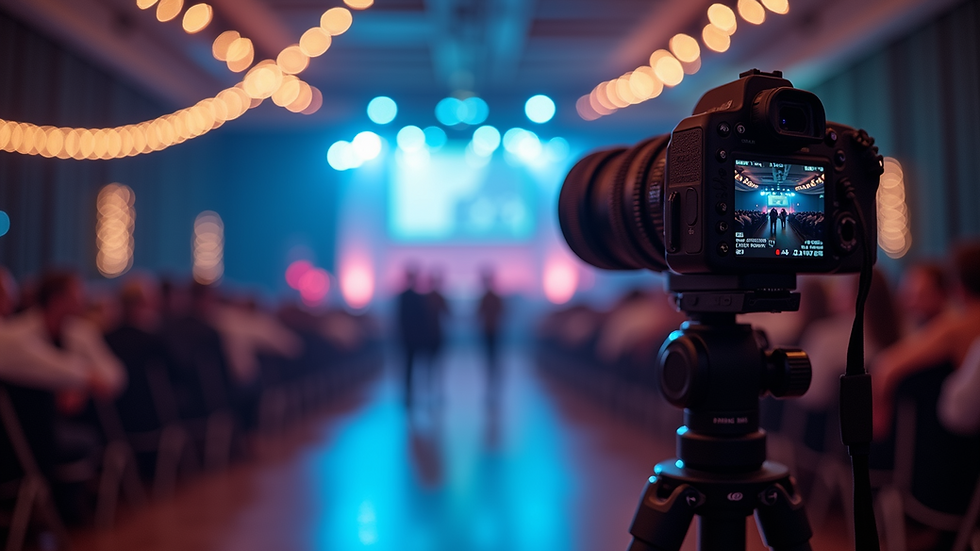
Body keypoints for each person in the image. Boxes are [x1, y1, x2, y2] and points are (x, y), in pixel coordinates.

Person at [872, 242, 980, 437]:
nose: (907, 302)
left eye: (917, 295)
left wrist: (879, 412)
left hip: (954, 440)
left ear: (956, 288)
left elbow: (885, 366)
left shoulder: (954, 327)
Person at [396, 264, 427, 406]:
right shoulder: (415, 297)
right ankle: (410, 393)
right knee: (411, 366)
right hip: (411, 337)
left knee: (409, 366)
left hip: (408, 337)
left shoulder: (406, 296)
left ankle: (410, 393)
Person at [477, 268, 504, 403]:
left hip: (492, 332)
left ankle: (493, 390)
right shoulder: (492, 297)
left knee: (492, 361)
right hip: (490, 331)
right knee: (492, 361)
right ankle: (493, 390)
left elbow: (479, 314)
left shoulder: (490, 297)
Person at [896, 261, 949, 332]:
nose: (912, 303)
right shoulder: (906, 331)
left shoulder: (957, 327)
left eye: (921, 296)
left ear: (941, 294)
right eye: (908, 295)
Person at [421, 269, 450, 397]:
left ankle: (432, 390)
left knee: (432, 364)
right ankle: (433, 390)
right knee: (432, 364)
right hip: (432, 334)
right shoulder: (432, 297)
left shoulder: (428, 297)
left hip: (434, 334)